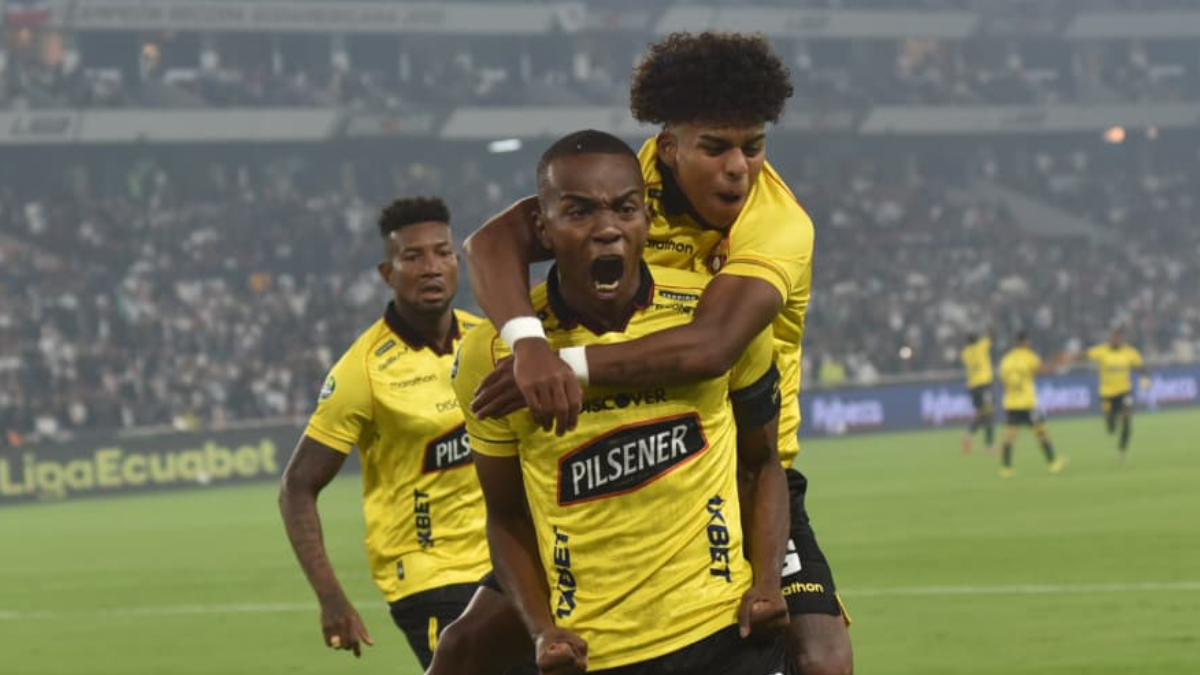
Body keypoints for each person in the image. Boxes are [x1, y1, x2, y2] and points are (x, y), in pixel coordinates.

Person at [447, 31, 852, 675]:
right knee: (464, 650)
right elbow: (491, 243)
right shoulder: (622, 189)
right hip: (596, 484)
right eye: (715, 148)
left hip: (732, 468)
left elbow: (715, 345)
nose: (737, 167)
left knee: (824, 660)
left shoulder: (777, 223)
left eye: (753, 146)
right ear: (668, 147)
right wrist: (527, 344)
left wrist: (562, 367)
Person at [279, 197, 488, 666]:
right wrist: (331, 596)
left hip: (507, 568)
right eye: (412, 257)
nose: (431, 267)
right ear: (387, 273)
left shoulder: (486, 341)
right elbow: (297, 487)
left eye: (442, 253)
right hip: (430, 578)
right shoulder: (364, 370)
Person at [996, 331, 1067, 479]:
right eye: (1028, 341)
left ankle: (1006, 468)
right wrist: (1056, 362)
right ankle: (1053, 463)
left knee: (1009, 437)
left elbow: (1002, 379)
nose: (1030, 344)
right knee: (1041, 433)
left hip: (1011, 403)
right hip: (1028, 403)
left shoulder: (1006, 360)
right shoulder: (1029, 356)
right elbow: (1043, 370)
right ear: (1024, 342)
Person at [1081, 328, 1149, 461]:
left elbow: (1140, 367)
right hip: (1107, 393)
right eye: (1112, 338)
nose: (1114, 340)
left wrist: (1145, 378)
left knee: (1127, 420)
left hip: (1124, 391)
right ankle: (1110, 422)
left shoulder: (1130, 352)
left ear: (1121, 339)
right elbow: (1085, 354)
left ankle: (1121, 452)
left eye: (1117, 338)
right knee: (1111, 426)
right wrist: (1067, 357)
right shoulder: (1102, 350)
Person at [959, 332, 996, 455]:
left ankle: (968, 436)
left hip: (972, 386)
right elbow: (991, 336)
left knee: (981, 414)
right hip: (984, 384)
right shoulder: (982, 346)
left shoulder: (965, 353)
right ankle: (989, 445)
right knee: (989, 414)